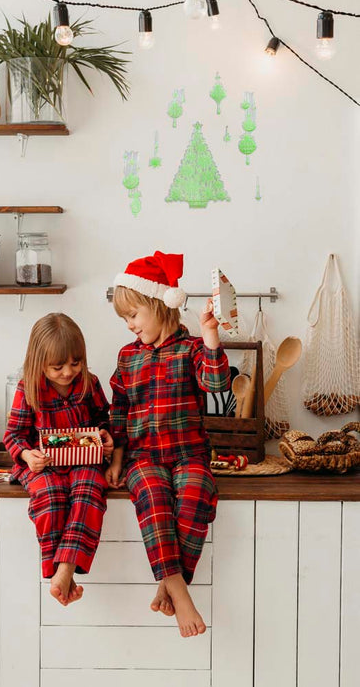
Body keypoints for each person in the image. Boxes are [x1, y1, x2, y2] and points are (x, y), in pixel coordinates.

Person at [106, 251, 230, 638]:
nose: (128, 325)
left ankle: (169, 585)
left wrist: (210, 337)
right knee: (154, 500)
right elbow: (119, 415)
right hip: (143, 458)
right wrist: (116, 459)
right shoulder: (127, 358)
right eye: (124, 319)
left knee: (196, 492)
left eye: (133, 316)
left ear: (158, 305)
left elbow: (216, 385)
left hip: (188, 453)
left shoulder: (191, 350)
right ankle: (181, 592)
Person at [4, 313, 114, 606]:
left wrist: (104, 436)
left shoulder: (89, 384)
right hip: (43, 466)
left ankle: (63, 571)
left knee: (90, 488)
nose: (68, 372)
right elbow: (13, 435)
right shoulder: (28, 389)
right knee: (50, 496)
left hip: (84, 462)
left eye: (75, 363)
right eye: (58, 367)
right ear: (39, 362)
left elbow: (106, 419)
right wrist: (27, 455)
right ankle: (62, 572)